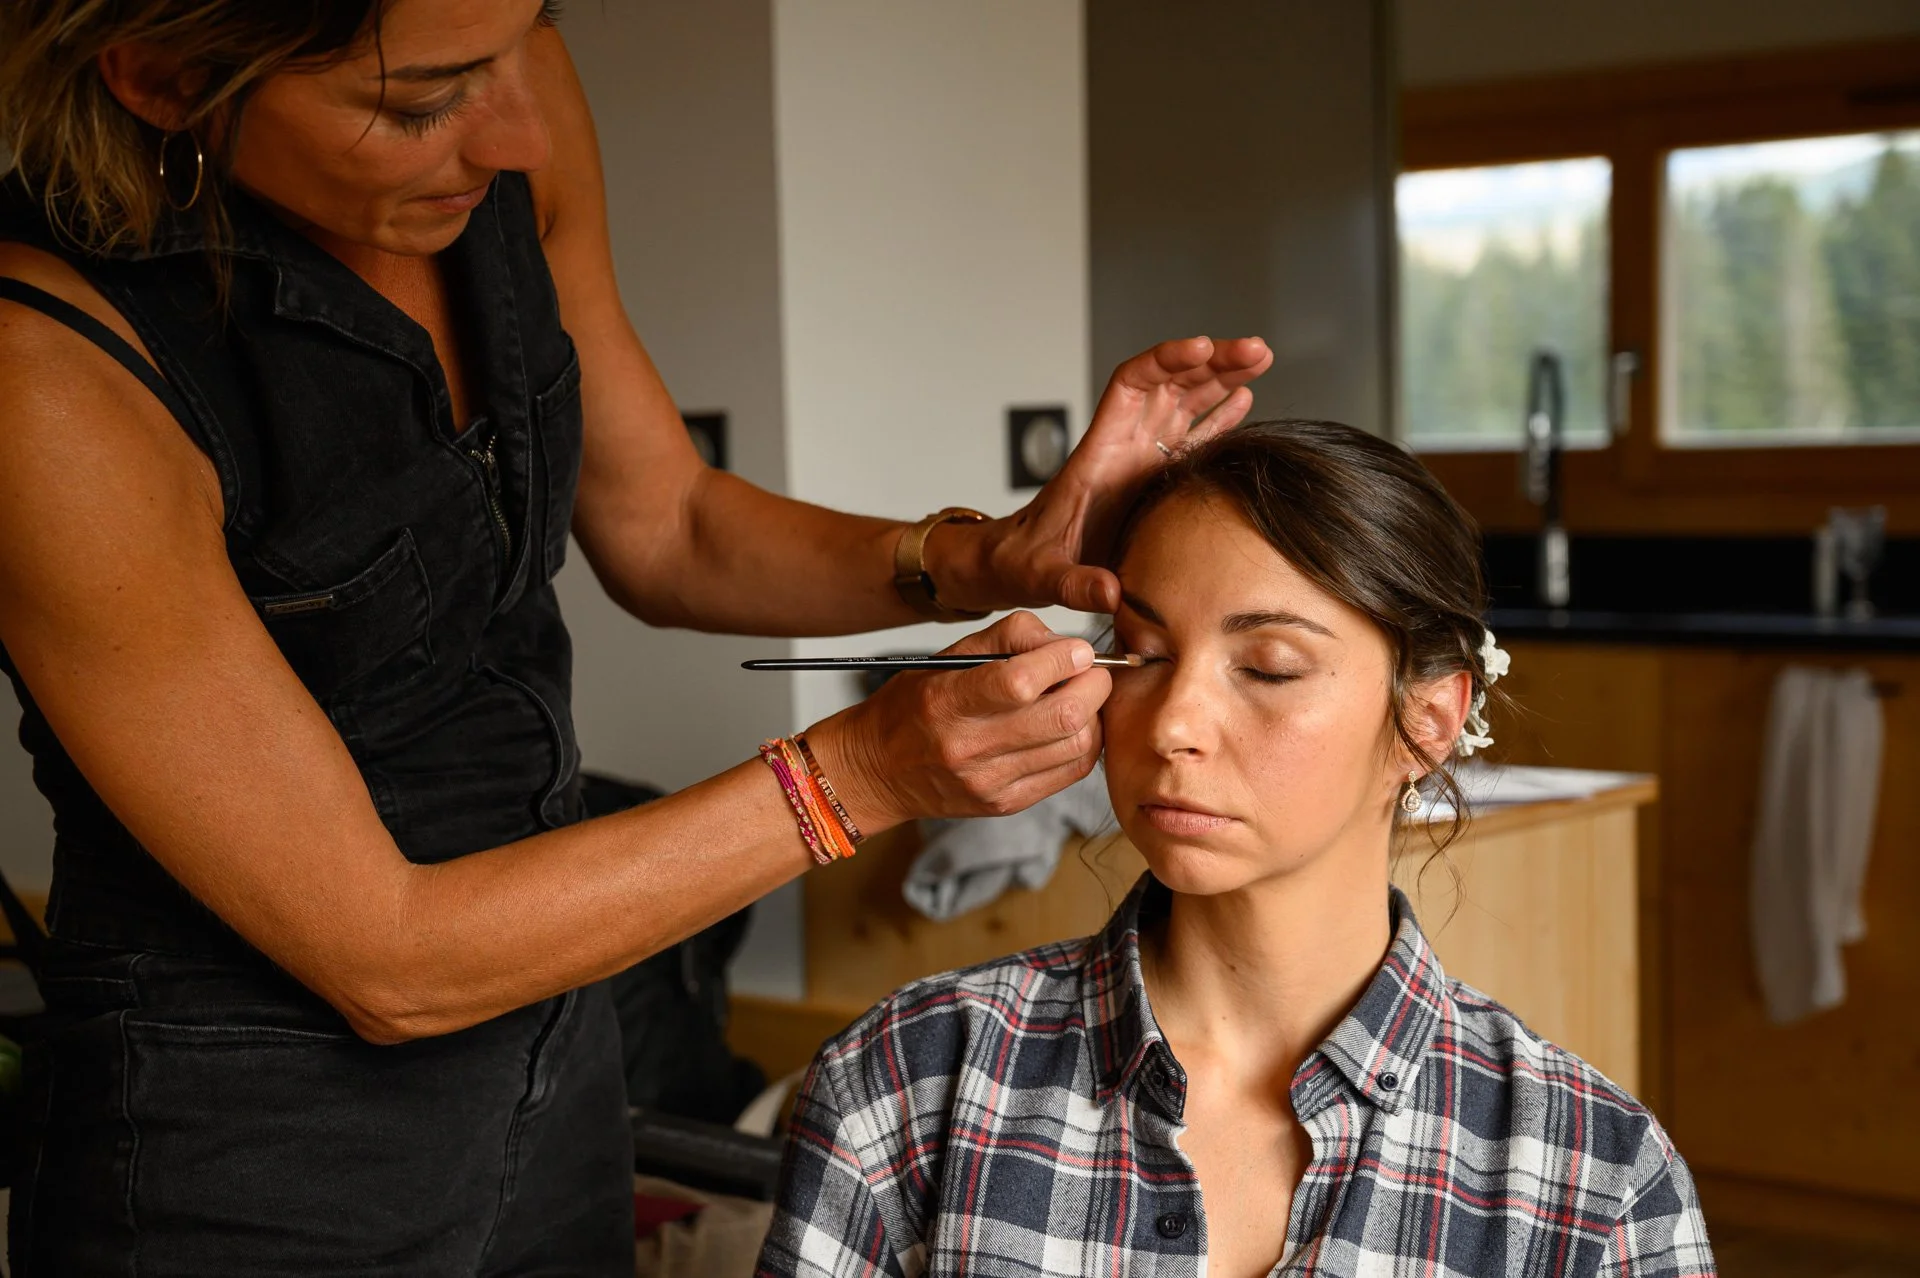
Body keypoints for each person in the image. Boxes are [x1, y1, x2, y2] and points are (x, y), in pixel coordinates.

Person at [0, 3, 1274, 1274]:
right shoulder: (42, 373)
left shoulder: (509, 82)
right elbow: (388, 956)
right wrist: (859, 775)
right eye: (422, 102)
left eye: (527, 37)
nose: (520, 135)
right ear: (161, 79)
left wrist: (982, 556)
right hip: (250, 1130)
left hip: (560, 1042)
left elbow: (670, 526)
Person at [758, 421, 1716, 1278]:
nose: (1173, 723)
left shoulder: (1596, 1179)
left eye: (1268, 668)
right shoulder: (909, 1079)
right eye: (1142, 654)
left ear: (1427, 720)